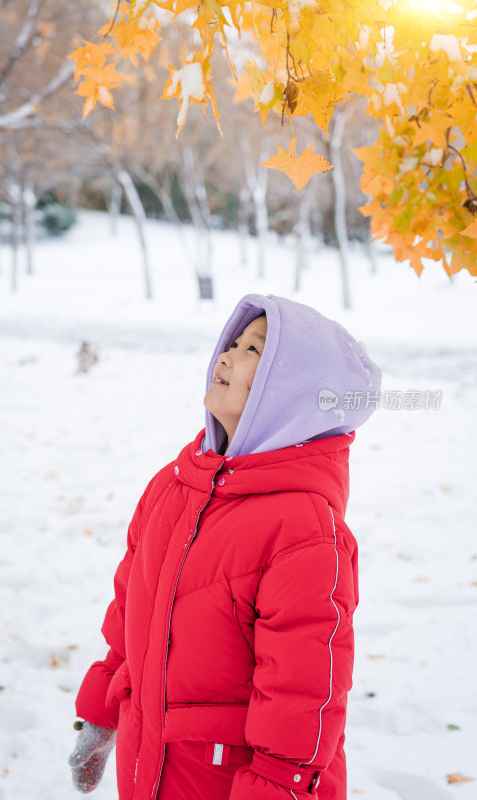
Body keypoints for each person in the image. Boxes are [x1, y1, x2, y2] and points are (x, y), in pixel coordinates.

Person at [68, 293, 382, 800]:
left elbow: (303, 697)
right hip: (150, 768)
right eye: (232, 343)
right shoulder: (171, 487)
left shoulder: (303, 527)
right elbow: (129, 615)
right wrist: (101, 718)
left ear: (294, 388)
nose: (227, 357)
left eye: (255, 350)